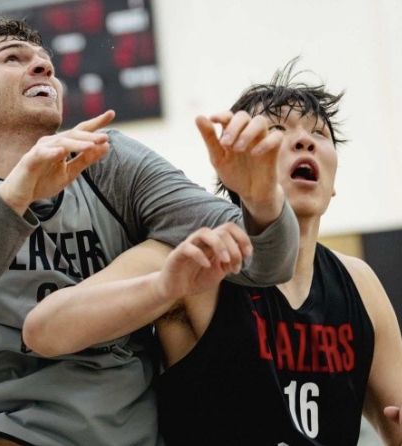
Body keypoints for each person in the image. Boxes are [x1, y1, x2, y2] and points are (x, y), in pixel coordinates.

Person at [0, 19, 299, 446]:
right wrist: (12, 200)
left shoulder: (111, 160)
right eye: (13, 58)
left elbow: (267, 263)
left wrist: (261, 199)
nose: (43, 68)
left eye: (47, 63)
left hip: (128, 431)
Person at [23, 61, 402, 445]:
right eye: (276, 131)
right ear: (233, 169)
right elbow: (43, 330)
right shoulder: (192, 259)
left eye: (319, 133)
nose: (305, 141)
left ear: (333, 181)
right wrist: (163, 287)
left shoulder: (359, 283)